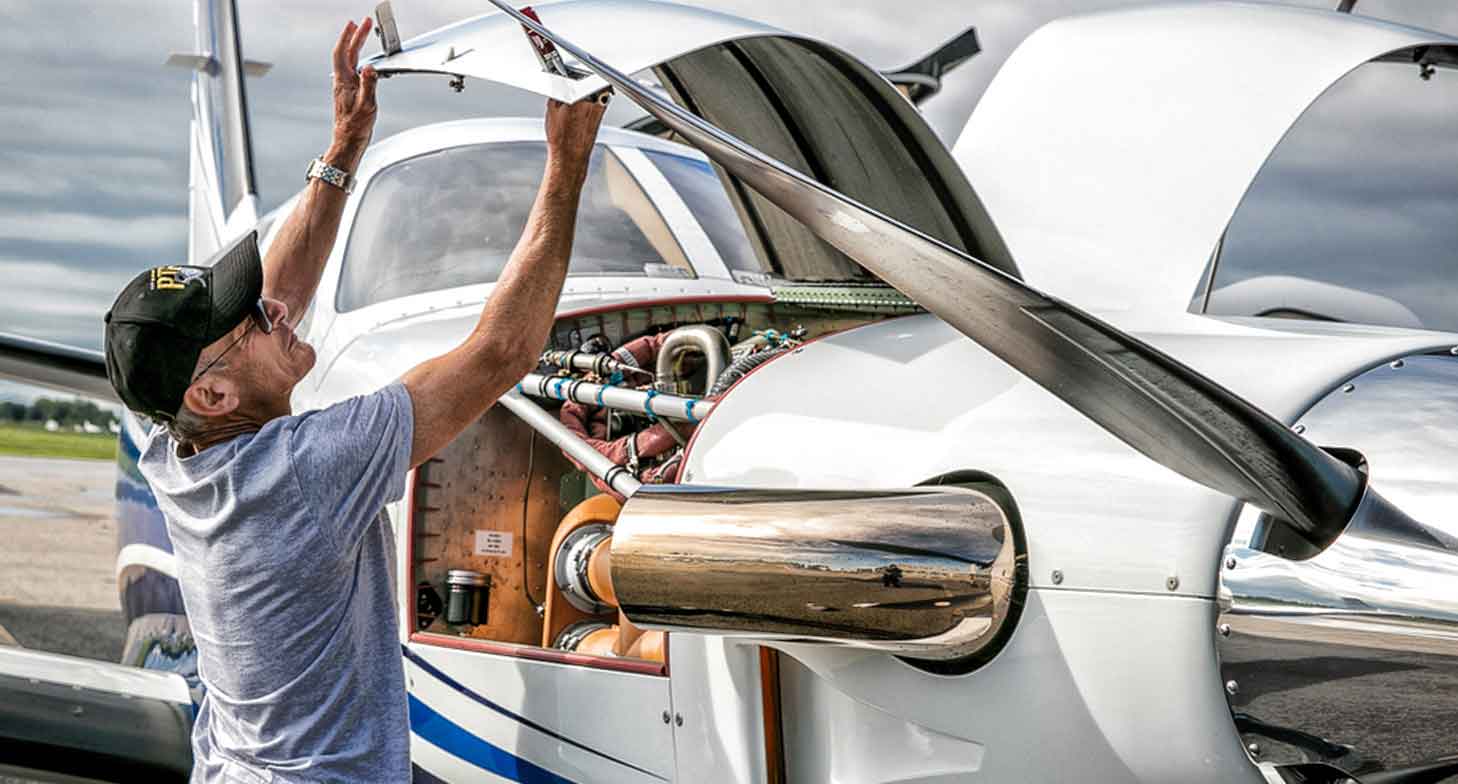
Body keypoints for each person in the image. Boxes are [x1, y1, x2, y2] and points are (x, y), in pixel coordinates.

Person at [100, 17, 607, 782]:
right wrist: (568, 163)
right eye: (250, 319)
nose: (274, 309)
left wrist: (344, 148)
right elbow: (501, 352)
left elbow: (286, 286)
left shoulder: (177, 446)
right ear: (212, 392)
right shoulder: (305, 468)